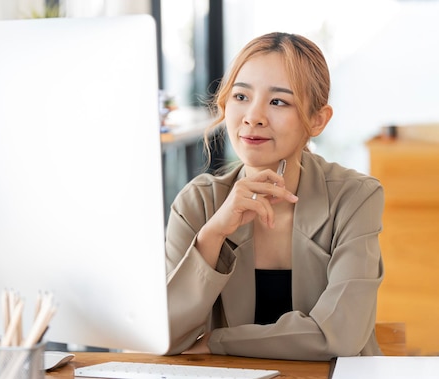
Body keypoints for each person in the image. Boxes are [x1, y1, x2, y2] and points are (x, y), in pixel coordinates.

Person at [164, 32, 384, 361]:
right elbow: (165, 336)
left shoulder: (355, 197)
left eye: (278, 101)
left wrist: (218, 341)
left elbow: (340, 335)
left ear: (317, 119)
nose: (253, 116)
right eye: (241, 96)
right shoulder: (197, 204)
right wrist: (212, 235)